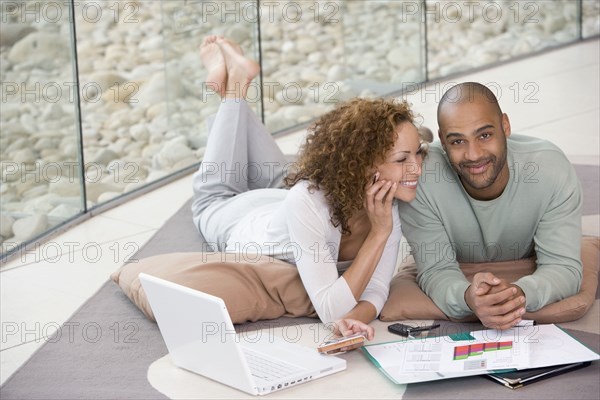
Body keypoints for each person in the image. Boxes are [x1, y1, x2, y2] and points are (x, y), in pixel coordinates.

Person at [191, 36, 426, 338]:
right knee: (210, 196)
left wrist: (355, 319)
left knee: (285, 176)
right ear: (364, 165)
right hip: (244, 219)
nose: (417, 167)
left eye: (418, 151)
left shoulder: (385, 202)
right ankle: (234, 85)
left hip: (285, 201)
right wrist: (379, 233)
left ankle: (234, 81)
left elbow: (378, 288)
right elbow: (331, 309)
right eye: (402, 158)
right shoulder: (310, 199)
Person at [398, 82, 584, 330]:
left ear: (505, 126)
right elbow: (436, 270)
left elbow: (563, 266)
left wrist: (517, 295)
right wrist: (468, 298)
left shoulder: (550, 169)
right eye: (457, 141)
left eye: (484, 135)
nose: (473, 155)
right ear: (442, 141)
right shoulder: (420, 177)